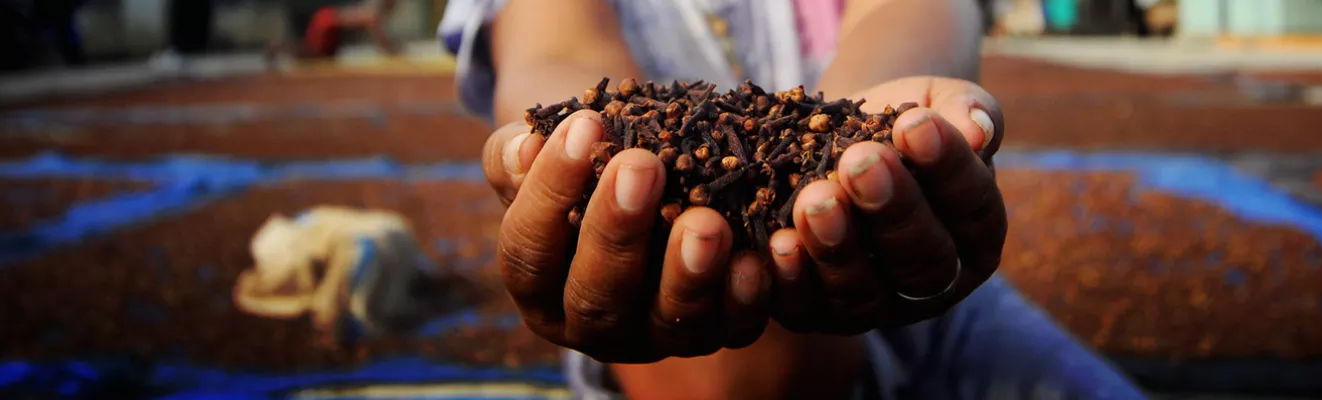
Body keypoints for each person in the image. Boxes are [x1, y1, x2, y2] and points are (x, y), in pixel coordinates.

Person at [446, 1, 1147, 398]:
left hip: (930, 308)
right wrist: (577, 136)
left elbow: (912, 14)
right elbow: (553, 44)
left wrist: (864, 133)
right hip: (656, 313)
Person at [269, 0, 400, 63]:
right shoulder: (373, 13)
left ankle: (280, 47)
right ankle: (278, 46)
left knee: (321, 56)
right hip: (327, 22)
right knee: (313, 53)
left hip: (331, 25)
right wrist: (389, 49)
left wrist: (388, 47)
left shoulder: (373, 12)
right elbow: (372, 25)